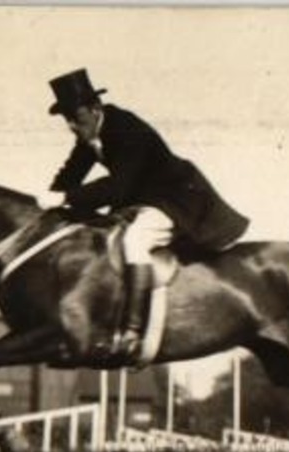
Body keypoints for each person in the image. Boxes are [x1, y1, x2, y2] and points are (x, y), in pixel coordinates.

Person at [46, 68, 250, 361]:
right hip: (144, 201)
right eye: (66, 119)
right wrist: (47, 205)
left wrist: (64, 197)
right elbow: (70, 175)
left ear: (95, 109)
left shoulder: (126, 127)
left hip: (179, 200)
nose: (71, 126)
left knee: (135, 241)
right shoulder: (90, 134)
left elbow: (118, 187)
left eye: (74, 117)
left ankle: (132, 331)